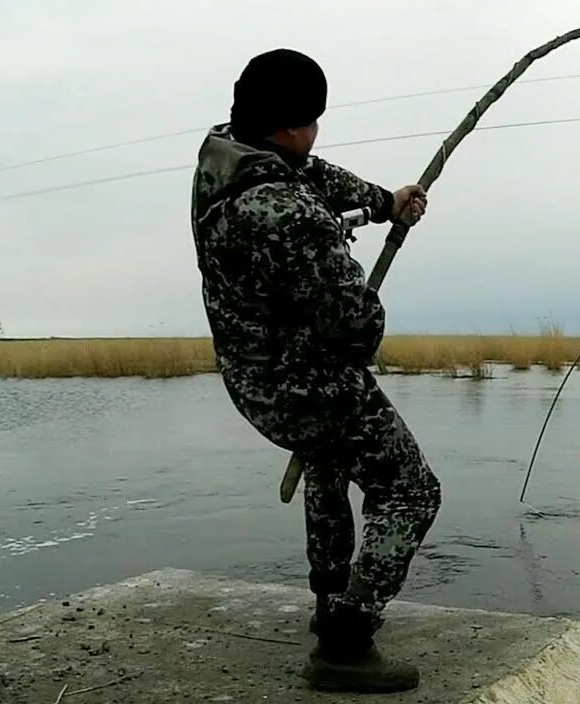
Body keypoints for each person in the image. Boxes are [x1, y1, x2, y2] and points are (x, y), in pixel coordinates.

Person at [189, 48, 441, 693]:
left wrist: (386, 202)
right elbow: (357, 330)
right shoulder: (291, 215)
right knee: (411, 492)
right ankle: (346, 643)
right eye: (315, 120)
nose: (318, 133)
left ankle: (329, 601)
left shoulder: (222, 157)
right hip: (311, 383)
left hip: (253, 379)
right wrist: (337, 252)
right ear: (296, 124)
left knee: (327, 468)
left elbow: (313, 175)